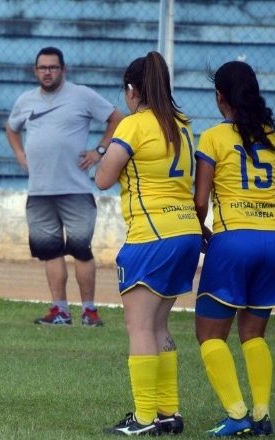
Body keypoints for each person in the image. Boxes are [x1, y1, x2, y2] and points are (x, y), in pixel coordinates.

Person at [94, 51, 201, 436]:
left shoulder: (134, 125)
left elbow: (103, 179)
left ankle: (143, 419)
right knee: (159, 326)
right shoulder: (183, 123)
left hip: (151, 234)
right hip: (186, 231)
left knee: (139, 326)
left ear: (131, 90)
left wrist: (104, 152)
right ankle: (168, 412)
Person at [193, 61, 275, 437]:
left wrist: (199, 228)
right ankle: (262, 415)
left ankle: (237, 415)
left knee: (210, 335)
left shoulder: (214, 138)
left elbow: (201, 200)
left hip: (234, 239)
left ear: (220, 97)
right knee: (254, 335)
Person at [5, 46, 125, 327]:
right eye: (42, 68)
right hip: (39, 191)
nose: (47, 72)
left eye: (52, 67)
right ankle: (59, 311)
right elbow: (11, 128)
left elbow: (117, 118)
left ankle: (89, 311)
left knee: (81, 250)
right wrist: (20, 154)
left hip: (76, 189)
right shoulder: (25, 100)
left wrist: (99, 150)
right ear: (36, 71)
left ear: (63, 70)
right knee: (51, 251)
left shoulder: (81, 95)